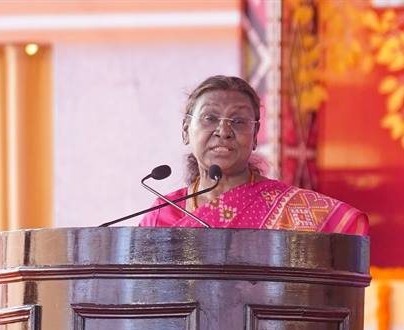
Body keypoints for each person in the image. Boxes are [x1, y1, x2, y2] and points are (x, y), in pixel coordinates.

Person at [139, 75, 368, 235]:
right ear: (185, 130)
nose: (224, 131)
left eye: (238, 121)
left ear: (256, 135)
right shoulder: (161, 215)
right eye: (210, 118)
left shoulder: (290, 209)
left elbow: (347, 231)